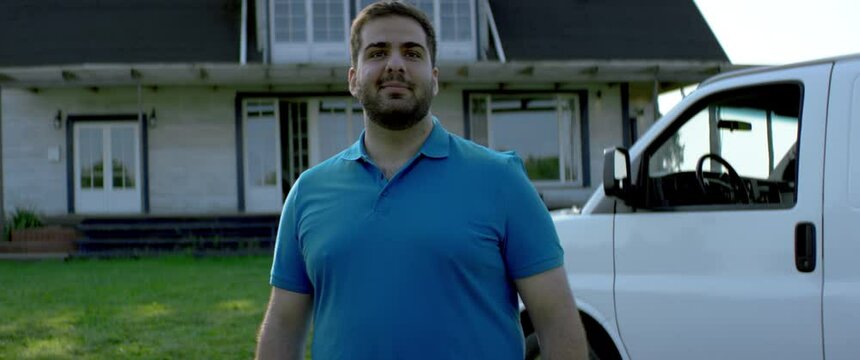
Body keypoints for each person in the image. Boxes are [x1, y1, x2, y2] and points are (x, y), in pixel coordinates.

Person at [256, 1, 588, 359]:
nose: (395, 64)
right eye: (377, 52)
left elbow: (557, 322)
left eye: (412, 53)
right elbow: (283, 327)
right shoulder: (308, 192)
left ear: (434, 77)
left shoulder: (502, 181)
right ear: (353, 79)